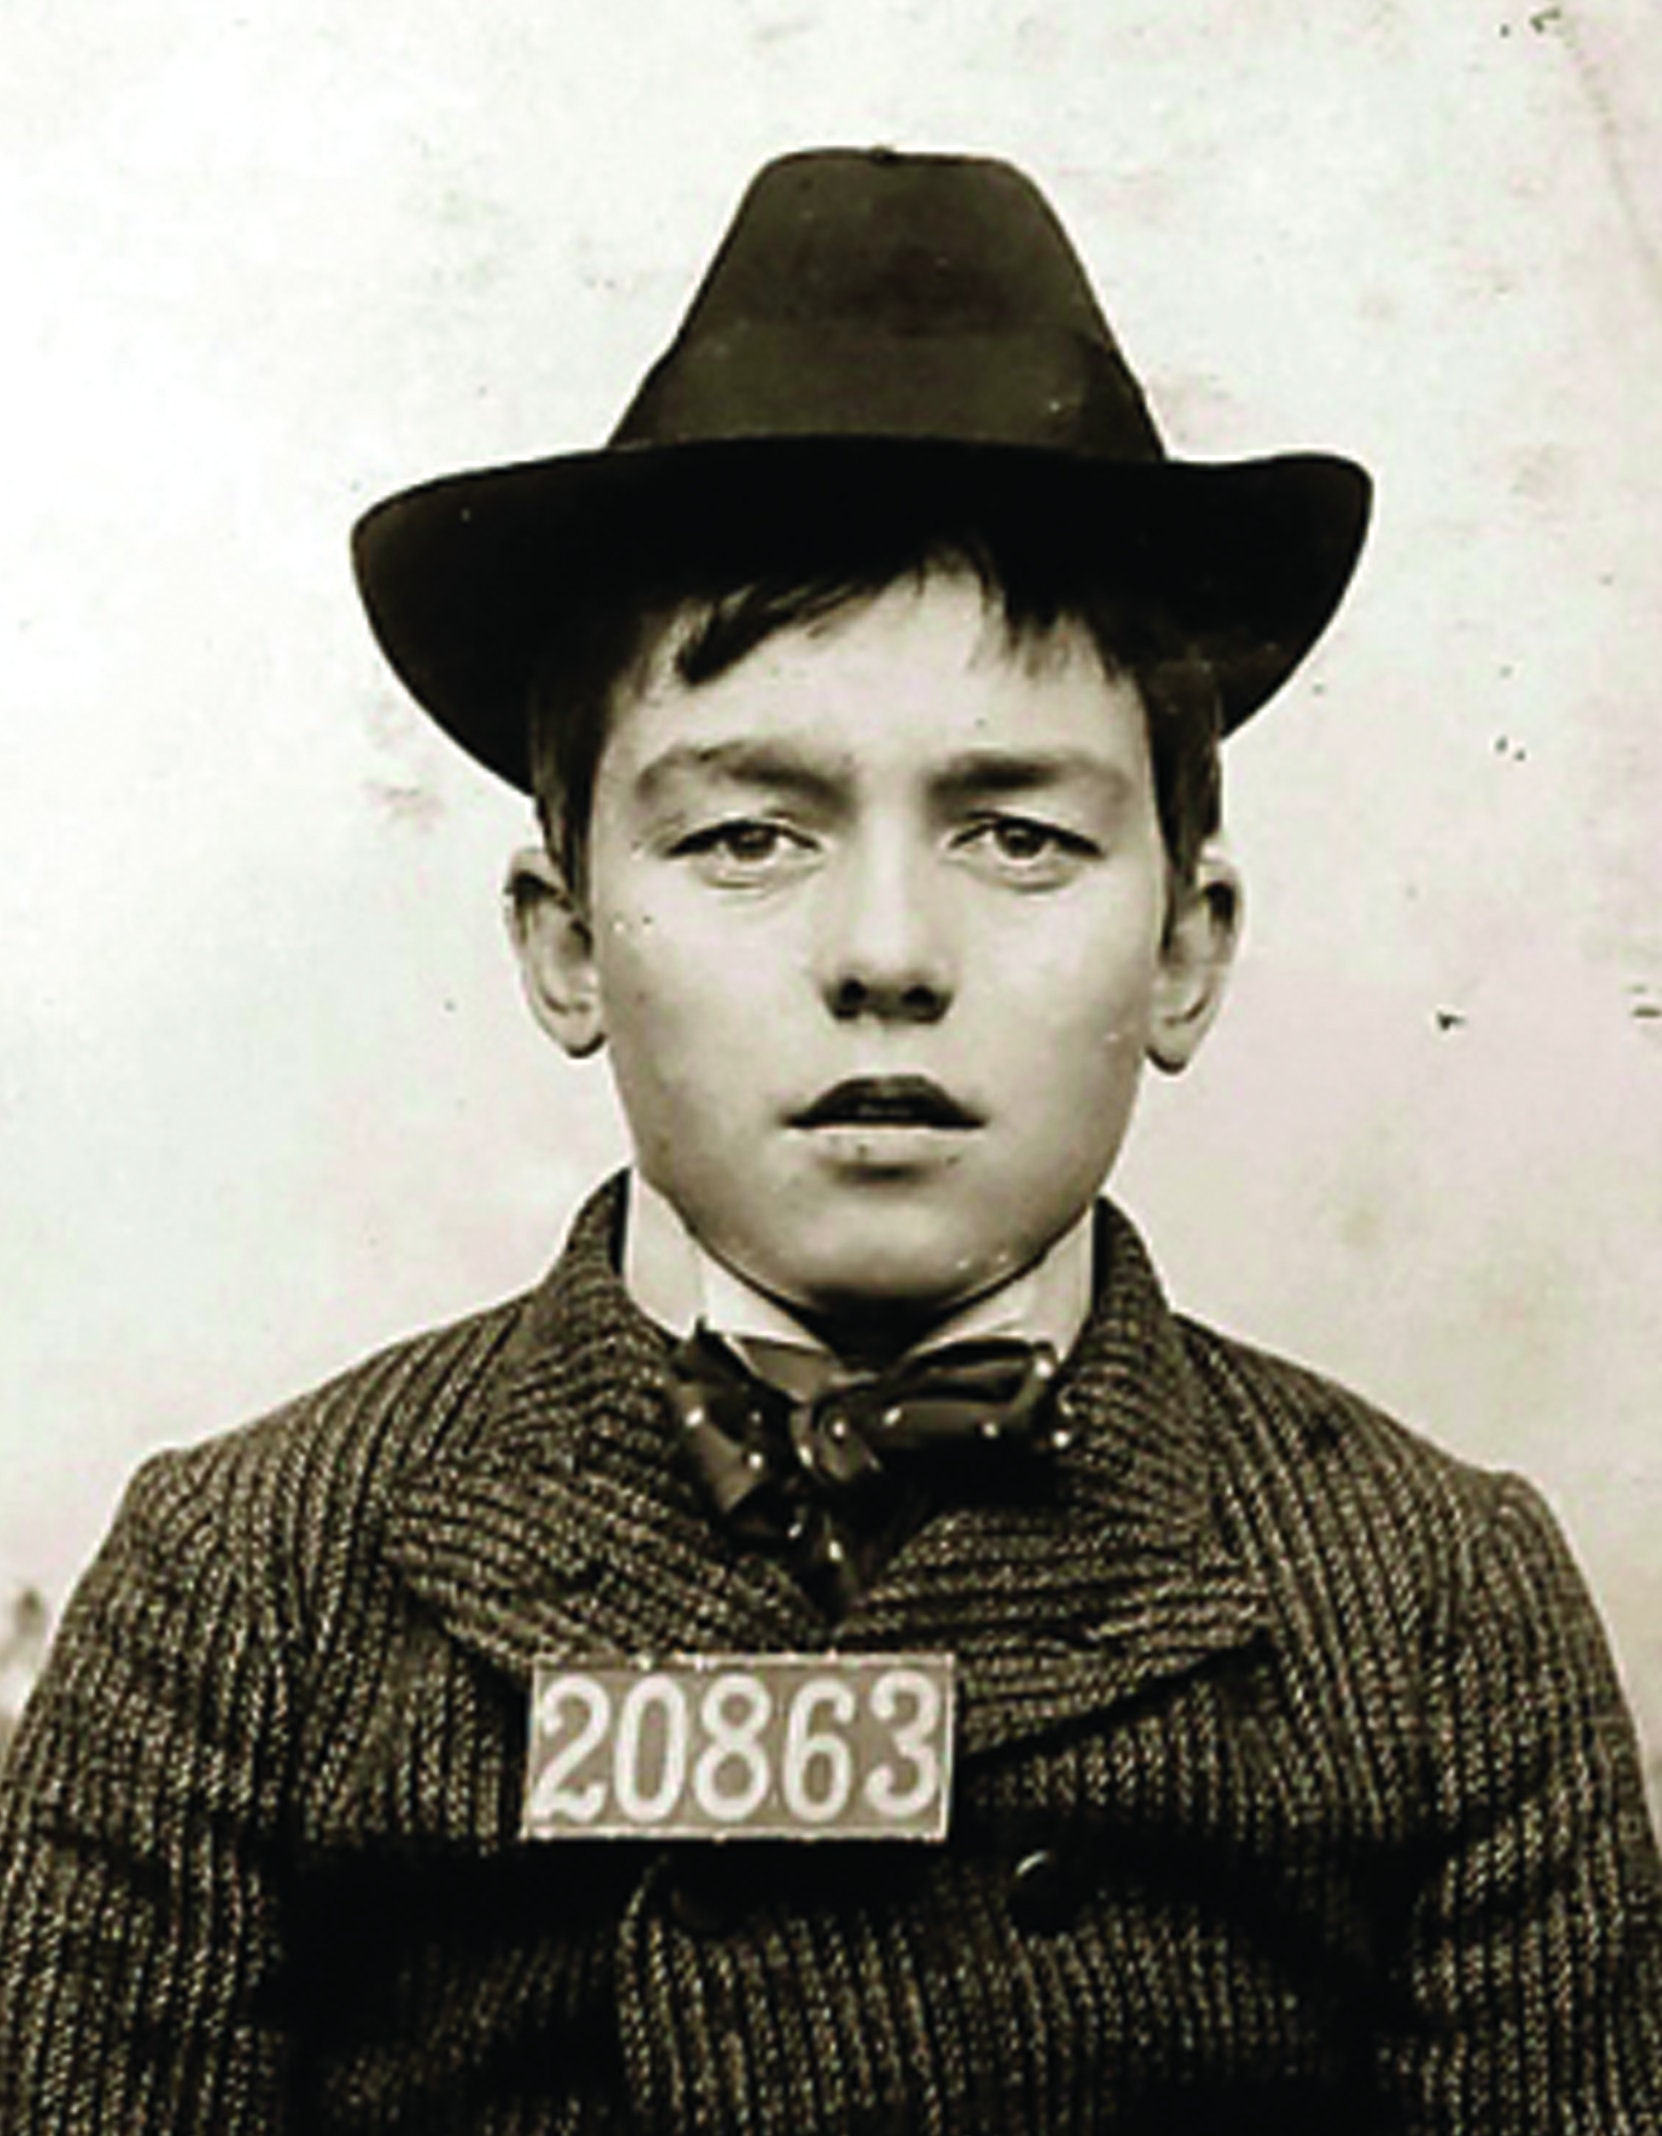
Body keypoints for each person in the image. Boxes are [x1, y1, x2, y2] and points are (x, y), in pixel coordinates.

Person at [2, 147, 1658, 2134]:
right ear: (564, 946)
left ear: (1184, 952)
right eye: (744, 837)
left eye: (1017, 836)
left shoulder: (1437, 1605)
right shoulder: (246, 1583)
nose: (885, 954)